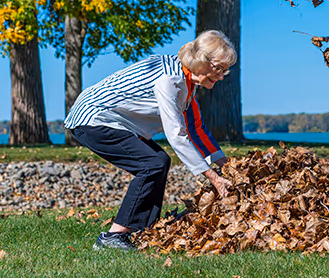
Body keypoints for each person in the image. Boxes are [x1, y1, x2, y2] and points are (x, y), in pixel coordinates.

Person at [64, 30, 236, 251]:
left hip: (111, 120)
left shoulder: (186, 80)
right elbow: (177, 135)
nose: (221, 76)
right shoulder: (170, 80)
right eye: (218, 68)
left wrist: (227, 167)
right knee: (151, 164)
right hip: (93, 117)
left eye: (225, 70)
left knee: (159, 160)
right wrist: (213, 177)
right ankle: (113, 237)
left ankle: (140, 231)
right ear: (202, 60)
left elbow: (196, 129)